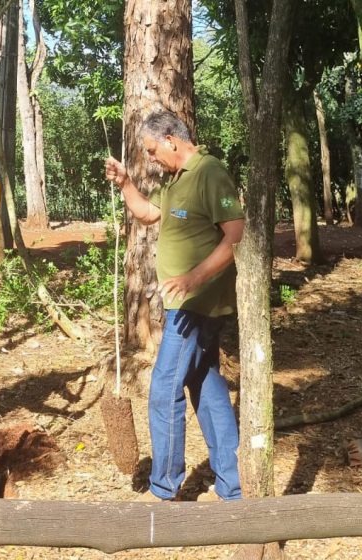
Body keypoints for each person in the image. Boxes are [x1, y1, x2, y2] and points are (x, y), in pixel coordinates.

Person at [105, 109, 245, 502]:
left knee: (165, 387)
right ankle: (234, 484)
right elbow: (150, 214)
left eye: (152, 150)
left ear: (171, 139)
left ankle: (164, 487)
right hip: (184, 304)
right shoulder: (176, 181)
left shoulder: (209, 172)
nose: (151, 157)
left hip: (197, 304)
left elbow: (235, 234)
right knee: (207, 383)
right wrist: (126, 183)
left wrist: (193, 279)